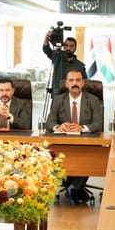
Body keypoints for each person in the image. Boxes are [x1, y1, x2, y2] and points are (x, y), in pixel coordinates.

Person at [46, 69, 104, 203]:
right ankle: (75, 188)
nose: (75, 83)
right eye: (71, 80)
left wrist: (82, 128)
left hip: (87, 143)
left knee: (88, 155)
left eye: (78, 80)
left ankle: (74, 187)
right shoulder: (58, 100)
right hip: (64, 143)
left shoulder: (93, 100)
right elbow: (49, 122)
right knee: (60, 155)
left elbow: (98, 123)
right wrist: (58, 127)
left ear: (83, 83)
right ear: (66, 84)